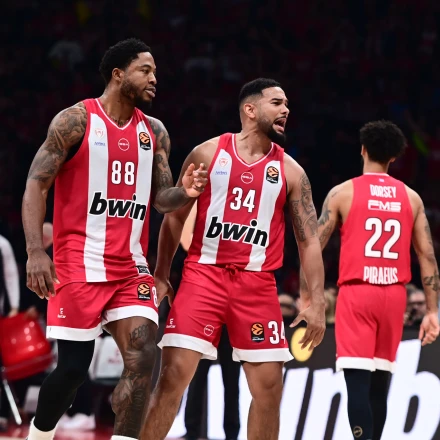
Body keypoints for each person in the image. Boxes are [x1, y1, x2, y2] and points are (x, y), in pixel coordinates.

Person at [22, 38, 207, 440]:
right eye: (145, 70)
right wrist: (35, 251)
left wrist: (185, 192)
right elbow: (37, 184)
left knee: (142, 355)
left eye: (156, 72)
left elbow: (161, 199)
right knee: (73, 371)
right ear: (118, 74)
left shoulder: (154, 131)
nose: (154, 78)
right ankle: (39, 434)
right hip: (77, 263)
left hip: (130, 267)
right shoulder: (75, 121)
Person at [140, 78, 326, 440]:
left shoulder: (291, 172)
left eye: (287, 103)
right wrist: (161, 274)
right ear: (250, 110)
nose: (286, 109)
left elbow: (309, 242)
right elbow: (174, 218)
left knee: (269, 389)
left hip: (257, 284)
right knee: (173, 376)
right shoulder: (208, 154)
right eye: (277, 103)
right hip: (203, 276)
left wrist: (316, 300)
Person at [300, 120, 440, 440]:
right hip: (394, 296)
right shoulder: (412, 198)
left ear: (362, 149)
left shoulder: (342, 193)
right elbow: (427, 257)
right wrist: (432, 311)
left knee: (358, 384)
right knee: (380, 384)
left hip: (358, 293)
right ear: (393, 158)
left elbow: (312, 248)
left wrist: (308, 297)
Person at [180, 202, 240, 440]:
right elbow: (186, 240)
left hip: (233, 309)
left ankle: (232, 434)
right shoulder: (203, 244)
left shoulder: (240, 236)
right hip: (205, 307)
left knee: (232, 378)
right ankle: (191, 431)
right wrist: (198, 200)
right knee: (196, 374)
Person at [0, 234, 20, 432]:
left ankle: (3, 414)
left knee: (2, 368)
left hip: (1, 316)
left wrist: (14, 306)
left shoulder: (2, 243)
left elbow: (11, 274)